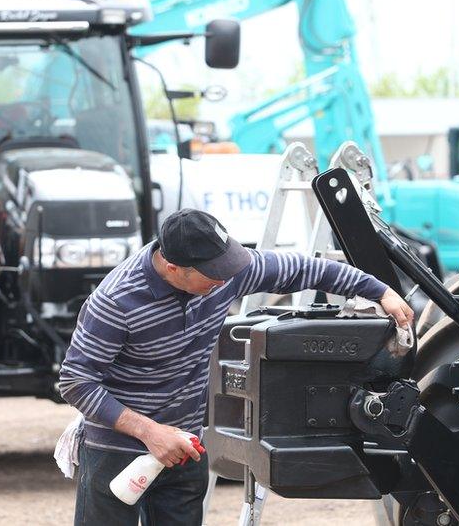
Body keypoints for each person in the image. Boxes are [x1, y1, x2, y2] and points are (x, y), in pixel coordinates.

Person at [59, 208, 414, 525]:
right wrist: (151, 432)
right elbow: (76, 381)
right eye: (214, 274)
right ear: (172, 268)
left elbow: (304, 269)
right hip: (119, 451)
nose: (225, 280)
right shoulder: (116, 302)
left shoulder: (226, 274)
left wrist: (378, 290)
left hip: (185, 447)